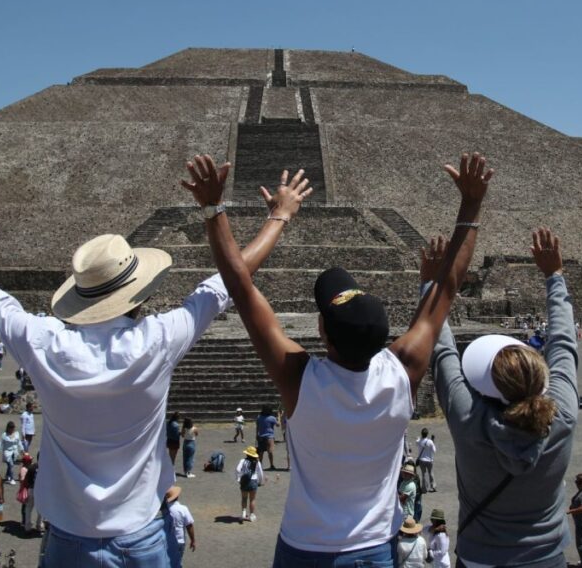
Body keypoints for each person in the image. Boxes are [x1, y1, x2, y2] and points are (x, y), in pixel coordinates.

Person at [0, 159, 300, 566]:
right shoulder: (158, 339)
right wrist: (274, 216)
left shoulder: (43, 341)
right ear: (139, 292)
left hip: (70, 541)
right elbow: (229, 282)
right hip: (143, 535)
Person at [191, 151, 490, 565]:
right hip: (374, 549)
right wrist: (471, 205)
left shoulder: (301, 380)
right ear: (387, 338)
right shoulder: (403, 370)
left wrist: (230, 210)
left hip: (305, 549)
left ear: (322, 333)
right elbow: (447, 286)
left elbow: (239, 287)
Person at [430, 226, 578, 567]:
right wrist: (554, 275)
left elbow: (442, 351)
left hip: (481, 556)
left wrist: (432, 284)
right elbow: (564, 345)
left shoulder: (469, 419)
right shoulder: (563, 415)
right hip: (547, 555)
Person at [164, 486, 195, 567]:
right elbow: (189, 525)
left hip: (166, 541)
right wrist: (193, 540)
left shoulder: (164, 509)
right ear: (177, 496)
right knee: (177, 562)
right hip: (179, 540)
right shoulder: (183, 509)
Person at [235, 446, 265, 522]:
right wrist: (260, 481)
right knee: (252, 499)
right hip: (253, 481)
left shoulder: (242, 460)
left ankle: (243, 513)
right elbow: (260, 473)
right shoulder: (257, 462)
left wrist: (238, 478)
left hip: (244, 481)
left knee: (244, 498)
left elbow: (237, 469)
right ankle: (251, 515)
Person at [20, 453, 43, 535]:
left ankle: (27, 527)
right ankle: (39, 526)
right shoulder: (46, 468)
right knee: (41, 510)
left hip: (31, 489)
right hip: (41, 490)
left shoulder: (32, 467)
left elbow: (26, 480)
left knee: (28, 508)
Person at [415, 428, 436, 493]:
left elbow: (417, 441)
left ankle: (424, 489)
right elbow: (434, 450)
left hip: (422, 460)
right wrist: (432, 441)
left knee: (423, 474)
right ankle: (433, 487)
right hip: (429, 460)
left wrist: (418, 438)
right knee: (431, 473)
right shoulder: (430, 442)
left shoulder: (419, 441)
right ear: (427, 434)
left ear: (422, 434)